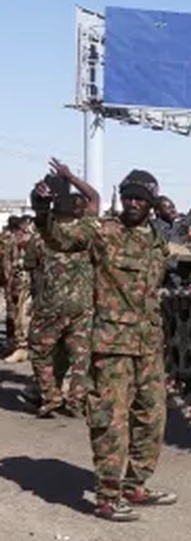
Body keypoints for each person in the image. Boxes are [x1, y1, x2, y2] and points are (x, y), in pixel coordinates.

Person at [39, 169, 171, 522]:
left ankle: (135, 484)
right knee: (111, 421)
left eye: (140, 198)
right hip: (112, 345)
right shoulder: (104, 232)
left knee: (152, 417)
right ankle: (107, 496)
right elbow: (60, 239)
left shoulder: (157, 237)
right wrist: (42, 209)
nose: (132, 203)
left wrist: (179, 218)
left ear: (151, 203)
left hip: (148, 345)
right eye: (128, 196)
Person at [26, 164, 98, 418]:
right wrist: (70, 177)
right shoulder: (87, 232)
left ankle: (51, 396)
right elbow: (95, 198)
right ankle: (76, 400)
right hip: (82, 304)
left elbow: (31, 269)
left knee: (39, 350)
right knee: (81, 355)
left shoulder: (39, 237)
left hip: (50, 304)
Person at [3, 214, 34, 363]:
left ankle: (23, 348)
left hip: (26, 282)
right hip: (16, 281)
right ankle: (18, 346)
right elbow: (8, 263)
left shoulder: (29, 239)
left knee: (23, 314)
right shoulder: (11, 239)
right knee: (16, 314)